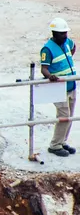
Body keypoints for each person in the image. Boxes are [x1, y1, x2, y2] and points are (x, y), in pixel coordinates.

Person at [40, 17, 77, 157]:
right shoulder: (47, 49)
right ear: (55, 34)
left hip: (71, 85)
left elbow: (73, 46)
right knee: (64, 116)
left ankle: (63, 142)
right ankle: (55, 145)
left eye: (65, 33)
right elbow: (44, 69)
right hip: (59, 88)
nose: (65, 36)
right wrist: (50, 76)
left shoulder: (67, 42)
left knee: (70, 116)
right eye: (62, 33)